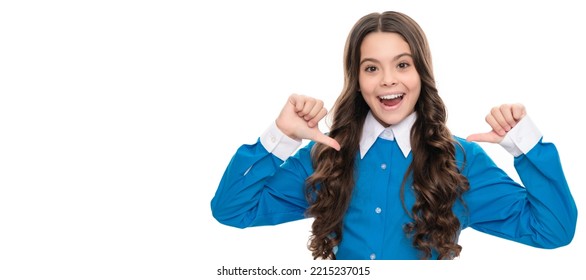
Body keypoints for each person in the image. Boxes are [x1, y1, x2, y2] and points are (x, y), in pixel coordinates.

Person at [210, 11, 577, 260]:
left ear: (421, 74)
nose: (388, 79)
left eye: (402, 64)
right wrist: (281, 136)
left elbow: (553, 230)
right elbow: (232, 209)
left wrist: (526, 146)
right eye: (372, 68)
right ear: (357, 80)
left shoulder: (460, 161)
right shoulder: (325, 157)